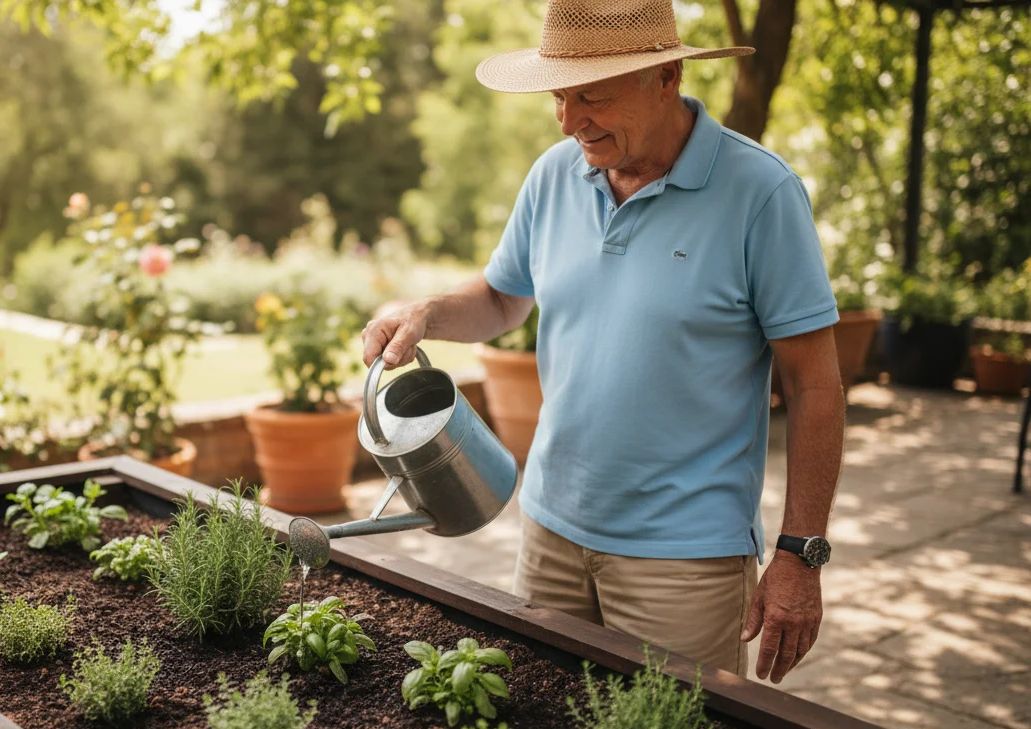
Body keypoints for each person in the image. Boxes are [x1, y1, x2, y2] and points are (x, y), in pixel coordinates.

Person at [361, 0, 845, 685]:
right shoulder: (554, 174)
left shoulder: (760, 194)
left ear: (668, 75)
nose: (569, 120)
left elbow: (815, 384)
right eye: (560, 96)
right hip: (551, 534)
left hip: (686, 561)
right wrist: (426, 313)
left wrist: (800, 552)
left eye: (592, 95)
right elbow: (502, 298)